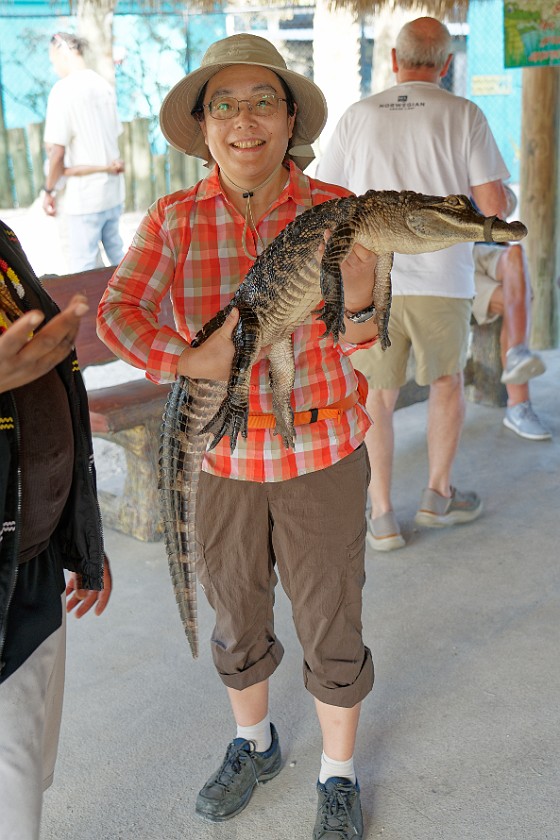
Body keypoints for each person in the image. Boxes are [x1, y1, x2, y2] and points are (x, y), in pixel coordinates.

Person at [97, 32, 379, 840]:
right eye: (225, 105)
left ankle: (337, 775)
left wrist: (361, 296)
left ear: (290, 121)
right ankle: (254, 742)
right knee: (236, 609)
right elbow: (119, 311)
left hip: (321, 451)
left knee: (331, 617)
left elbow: (363, 340)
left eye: (263, 103)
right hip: (220, 458)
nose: (244, 121)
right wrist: (183, 358)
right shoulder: (174, 217)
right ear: (204, 124)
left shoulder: (337, 210)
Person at [316, 16, 510, 552]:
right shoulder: (464, 113)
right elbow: (493, 208)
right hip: (443, 277)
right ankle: (437, 495)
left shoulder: (358, 115)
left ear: (394, 61)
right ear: (445, 64)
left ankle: (381, 515)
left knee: (376, 396)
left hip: (369, 282)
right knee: (446, 382)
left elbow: (325, 197)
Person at [0, 219, 112, 840]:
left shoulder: (3, 241)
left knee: (28, 765)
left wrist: (82, 539)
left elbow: (55, 393)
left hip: (33, 555)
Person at [42, 32, 125, 272]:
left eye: (53, 60)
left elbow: (57, 152)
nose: (54, 67)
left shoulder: (63, 90)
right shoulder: (104, 86)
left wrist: (49, 190)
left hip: (84, 197)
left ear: (63, 53)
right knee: (119, 260)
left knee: (83, 267)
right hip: (112, 191)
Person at [473, 237, 550, 441]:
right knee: (519, 298)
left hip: (488, 249)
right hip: (455, 255)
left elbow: (499, 226)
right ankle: (518, 403)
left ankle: (517, 354)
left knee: (516, 252)